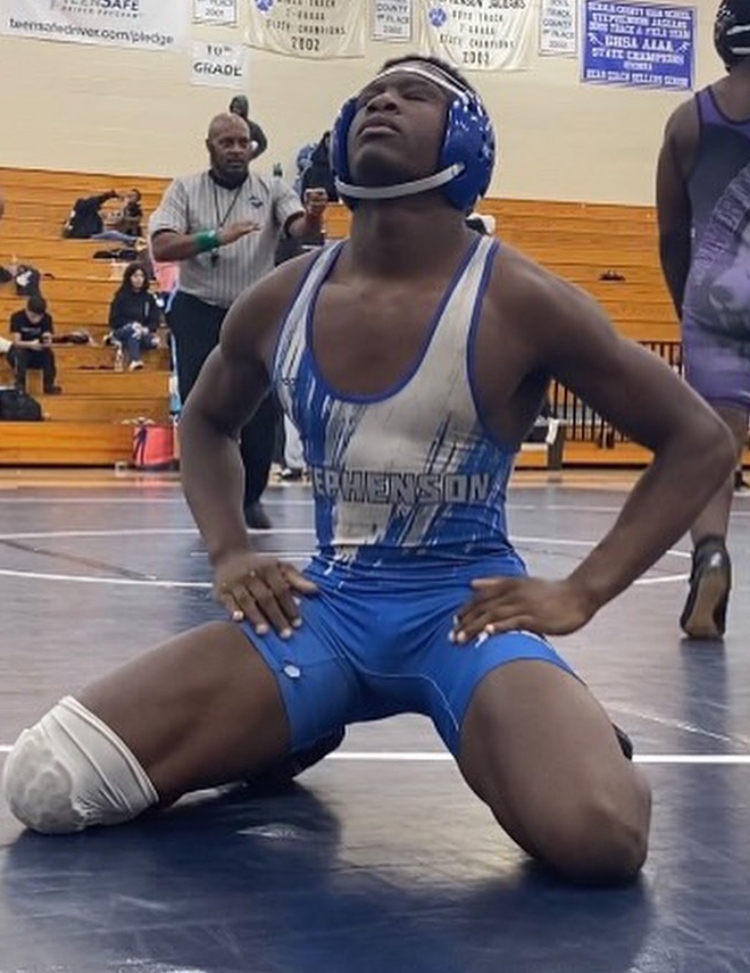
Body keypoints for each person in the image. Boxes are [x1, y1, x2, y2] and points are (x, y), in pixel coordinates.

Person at [1, 56, 736, 888]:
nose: (382, 100)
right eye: (370, 96)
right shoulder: (282, 297)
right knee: (47, 783)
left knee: (600, 835)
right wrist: (231, 550)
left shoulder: (519, 297)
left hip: (465, 613)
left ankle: (566, 728)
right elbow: (204, 422)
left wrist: (583, 592)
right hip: (326, 610)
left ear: (465, 138)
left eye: (413, 94)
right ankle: (297, 721)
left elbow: (700, 440)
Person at [148, 112, 327, 529]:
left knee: (262, 410)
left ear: (251, 147)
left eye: (242, 142)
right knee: (202, 410)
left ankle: (249, 499)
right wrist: (214, 237)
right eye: (225, 142)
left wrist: (315, 214)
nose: (235, 150)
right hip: (199, 310)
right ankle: (212, 502)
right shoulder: (184, 188)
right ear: (209, 147)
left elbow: (299, 227)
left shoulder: (272, 189)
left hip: (253, 313)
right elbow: (162, 246)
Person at [655, 0, 750, 639]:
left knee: (716, 444)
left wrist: (685, 301)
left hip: (715, 295)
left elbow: (670, 234)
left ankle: (710, 554)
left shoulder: (688, 120)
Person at [108, 262, 162, 371]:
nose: (139, 279)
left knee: (152, 341)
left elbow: (155, 321)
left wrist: (145, 329)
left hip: (141, 332)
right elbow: (114, 320)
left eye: (141, 276)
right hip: (123, 330)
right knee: (133, 331)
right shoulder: (120, 296)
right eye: (135, 276)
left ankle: (125, 347)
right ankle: (135, 359)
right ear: (129, 278)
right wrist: (132, 325)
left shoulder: (149, 298)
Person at [8, 295, 61, 394]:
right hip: (20, 350)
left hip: (37, 352)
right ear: (27, 310)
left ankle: (48, 385)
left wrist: (46, 342)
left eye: (39, 317)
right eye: (33, 316)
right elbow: (16, 342)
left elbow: (47, 336)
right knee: (20, 354)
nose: (36, 320)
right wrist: (30, 344)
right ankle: (20, 385)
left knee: (49, 355)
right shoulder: (17, 317)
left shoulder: (47, 318)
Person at [229, 95, 268, 161]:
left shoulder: (252, 127)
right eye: (233, 107)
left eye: (238, 108)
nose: (235, 110)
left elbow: (263, 144)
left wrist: (251, 155)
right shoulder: (226, 125)